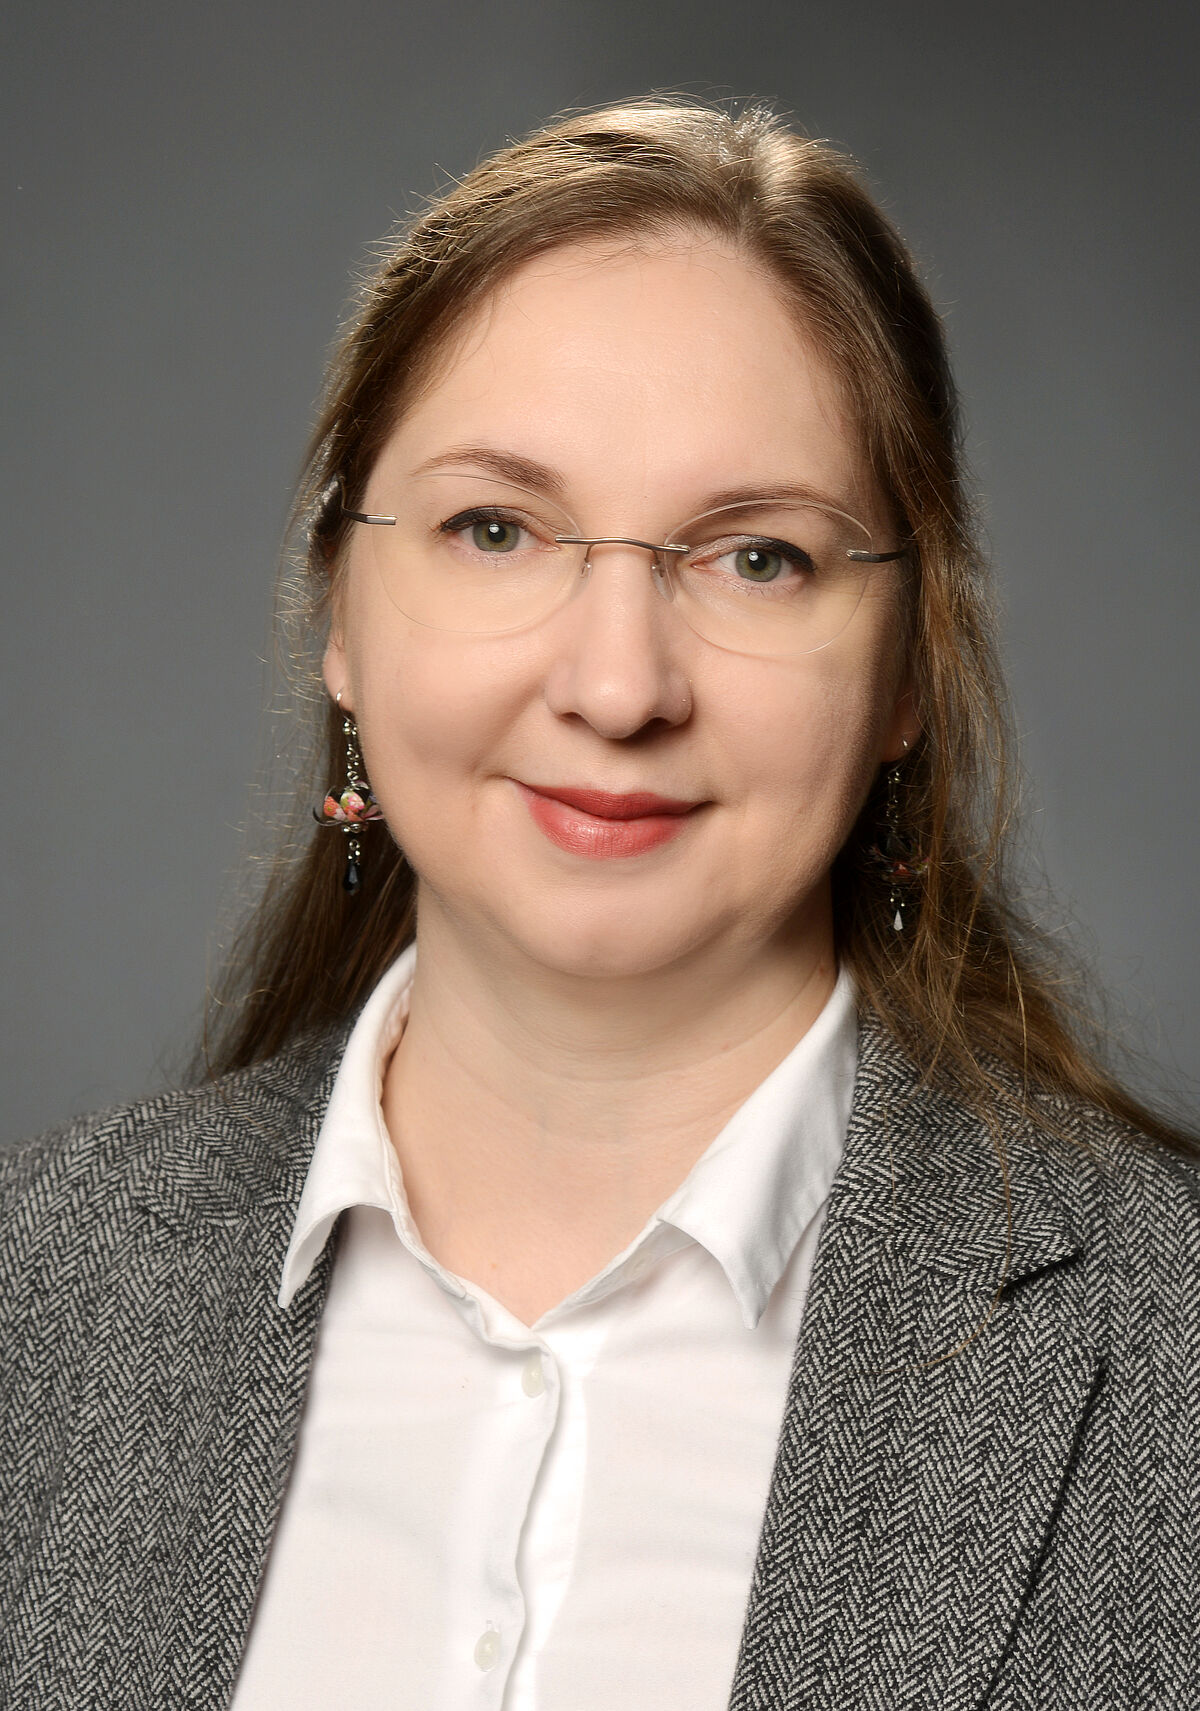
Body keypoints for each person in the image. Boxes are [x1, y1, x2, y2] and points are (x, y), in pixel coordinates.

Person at [1, 97, 1196, 1711]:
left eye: (757, 556)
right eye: (496, 529)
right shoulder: (39, 1294)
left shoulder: (1168, 1358)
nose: (619, 687)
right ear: (341, 608)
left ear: (910, 667)